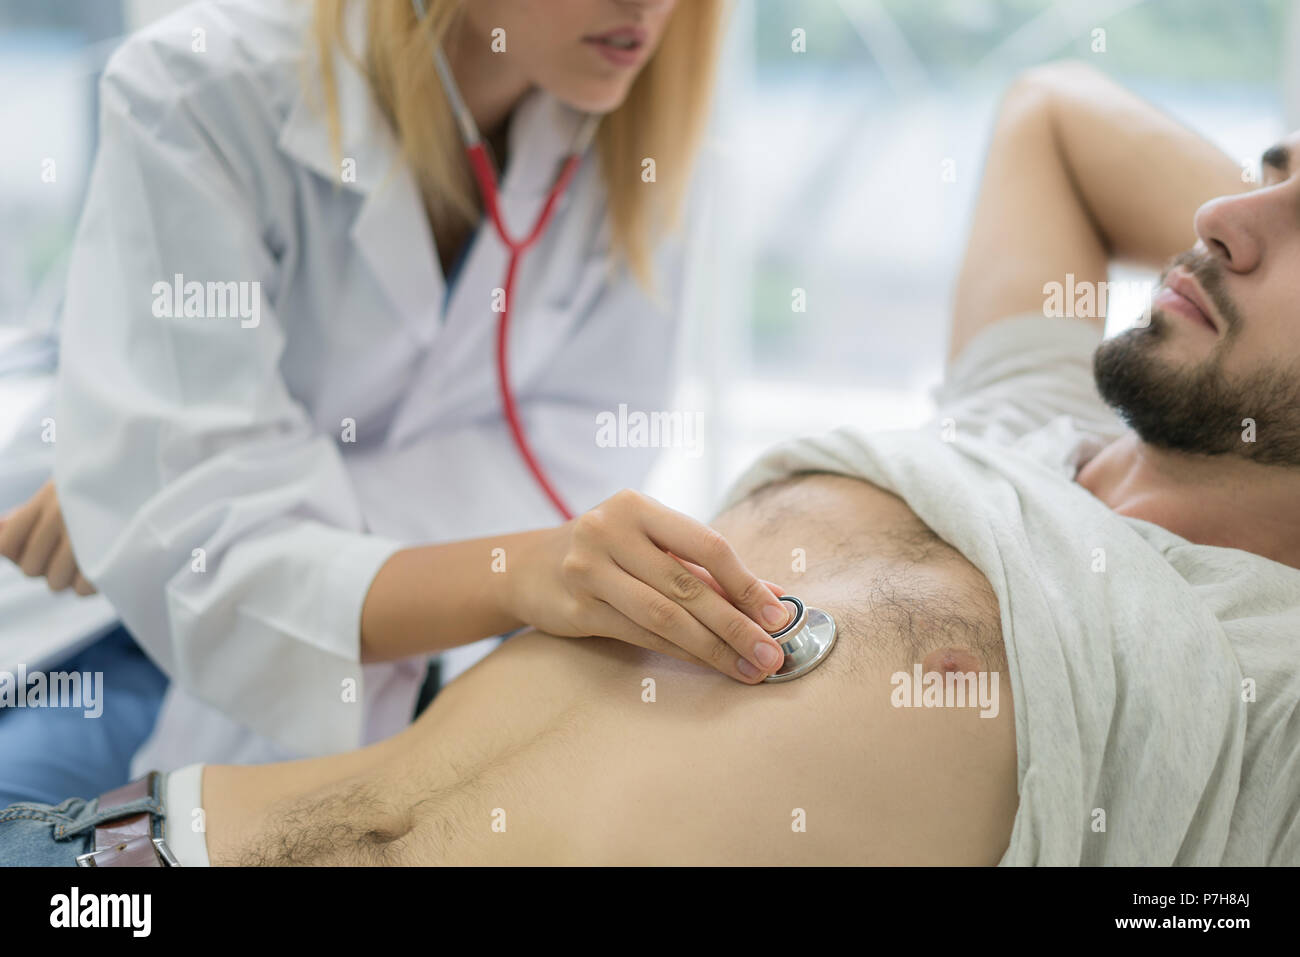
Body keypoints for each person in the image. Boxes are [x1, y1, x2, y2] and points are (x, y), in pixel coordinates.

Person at [5, 61, 1297, 866]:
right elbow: (1053, 113)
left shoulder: (1272, 678)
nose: (1221, 216)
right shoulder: (1022, 416)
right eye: (1267, 174)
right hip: (122, 850)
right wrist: (160, 471)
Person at [0, 0, 800, 807]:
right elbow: (214, 555)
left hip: (376, 646)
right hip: (86, 628)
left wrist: (155, 491)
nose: (645, 6)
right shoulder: (198, 87)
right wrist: (176, 502)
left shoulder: (646, 142)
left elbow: (581, 447)